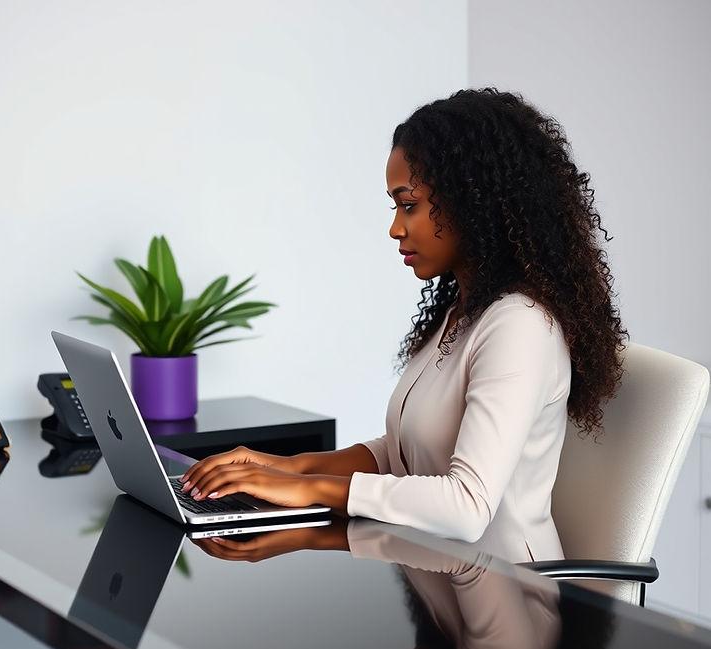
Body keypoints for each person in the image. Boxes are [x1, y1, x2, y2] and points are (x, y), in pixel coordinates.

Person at [181, 87, 628, 564]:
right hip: (439, 577)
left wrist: (309, 487)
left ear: (473, 202)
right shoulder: (463, 311)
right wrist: (282, 469)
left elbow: (466, 507)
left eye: (408, 205)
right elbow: (404, 454)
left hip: (509, 604)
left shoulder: (518, 326)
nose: (396, 227)